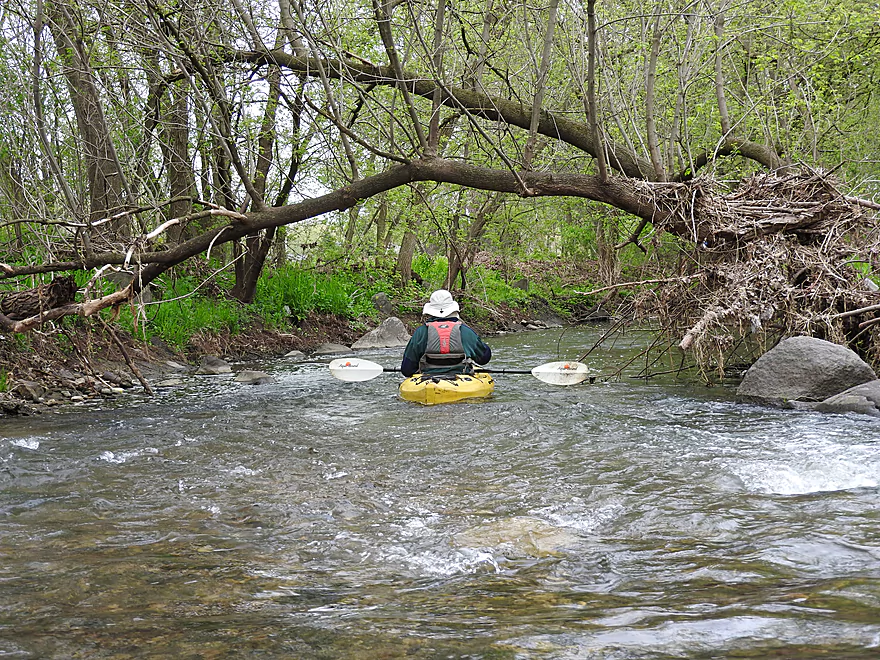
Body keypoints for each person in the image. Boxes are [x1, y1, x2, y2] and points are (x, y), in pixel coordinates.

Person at [400, 289, 492, 378]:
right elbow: (484, 358)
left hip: (428, 382)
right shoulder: (465, 332)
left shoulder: (420, 333)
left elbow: (407, 370)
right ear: (452, 309)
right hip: (461, 381)